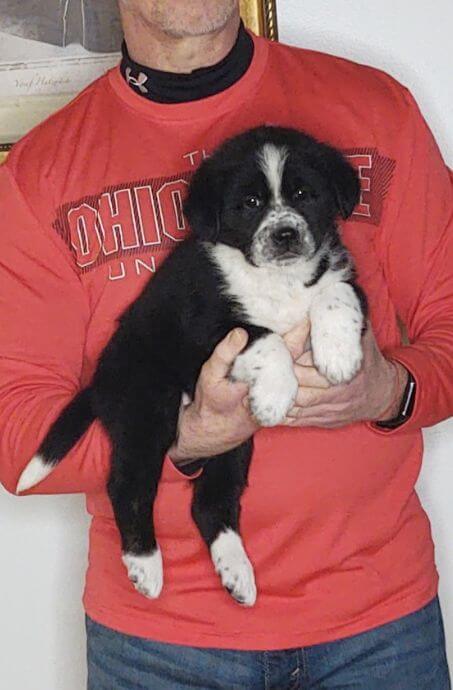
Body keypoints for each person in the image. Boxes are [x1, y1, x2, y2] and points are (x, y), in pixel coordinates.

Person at [0, 1, 452, 688]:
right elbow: (14, 433)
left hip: (378, 624)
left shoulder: (373, 110)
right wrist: (181, 437)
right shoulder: (39, 174)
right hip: (161, 643)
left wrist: (389, 389)